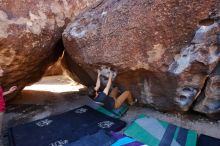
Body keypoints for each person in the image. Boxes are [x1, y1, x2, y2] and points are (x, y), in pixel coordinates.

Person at [0, 66, 17, 143]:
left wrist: (9, 91)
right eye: (0, 69)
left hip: (1, 109)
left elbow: (0, 94)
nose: (2, 70)